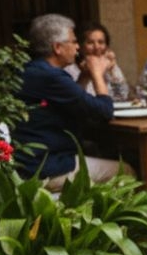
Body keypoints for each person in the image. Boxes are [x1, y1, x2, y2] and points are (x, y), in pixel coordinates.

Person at [12, 13, 123, 190]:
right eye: (73, 41)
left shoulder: (35, 70)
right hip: (46, 167)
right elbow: (104, 111)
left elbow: (75, 102)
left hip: (31, 162)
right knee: (127, 172)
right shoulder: (51, 76)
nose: (78, 47)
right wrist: (97, 74)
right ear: (58, 47)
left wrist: (85, 76)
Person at [68, 21, 130, 101]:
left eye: (101, 42)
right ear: (80, 46)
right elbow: (74, 100)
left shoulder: (109, 66)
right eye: (90, 42)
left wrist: (112, 71)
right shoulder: (70, 69)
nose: (97, 47)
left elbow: (122, 96)